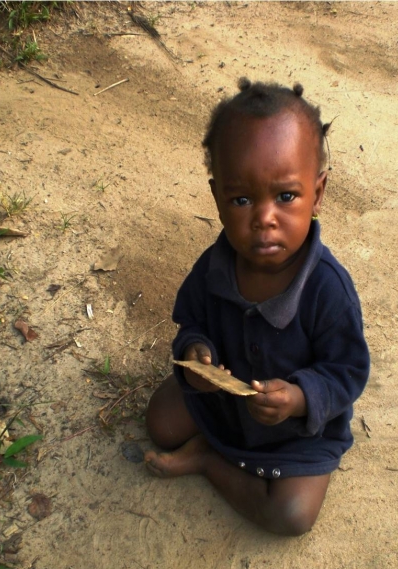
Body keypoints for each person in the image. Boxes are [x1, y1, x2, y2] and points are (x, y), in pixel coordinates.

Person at [145, 78, 370, 536]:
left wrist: (300, 397)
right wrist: (195, 357)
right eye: (242, 199)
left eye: (286, 196)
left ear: (318, 193)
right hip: (228, 402)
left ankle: (210, 461)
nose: (264, 217)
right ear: (217, 198)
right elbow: (192, 322)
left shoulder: (328, 289)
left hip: (296, 429)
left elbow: (347, 370)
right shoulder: (214, 265)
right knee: (160, 422)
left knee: (291, 516)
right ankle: (209, 439)